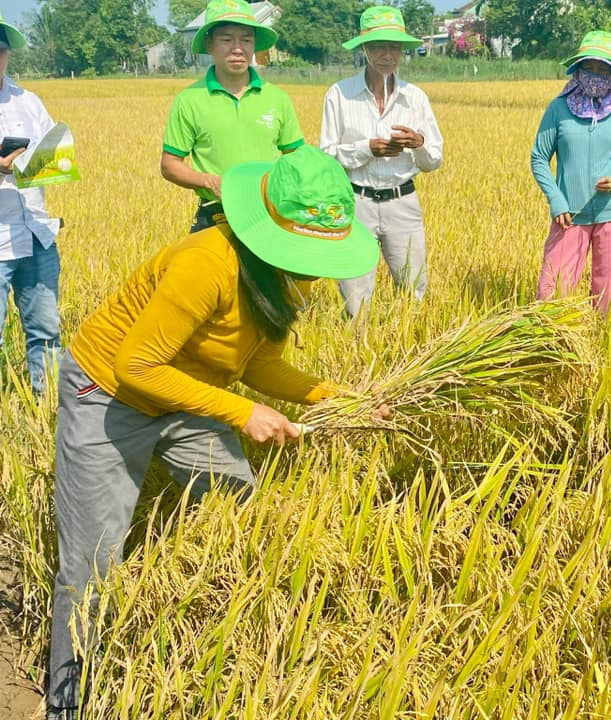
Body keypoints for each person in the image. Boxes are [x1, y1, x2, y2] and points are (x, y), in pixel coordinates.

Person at [45, 146, 381, 720]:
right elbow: (139, 366)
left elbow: (254, 361)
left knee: (241, 509)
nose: (311, 268)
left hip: (191, 391)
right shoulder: (206, 263)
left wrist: (328, 394)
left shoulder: (288, 274)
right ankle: (65, 706)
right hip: (110, 394)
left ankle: (227, 647)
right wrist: (241, 413)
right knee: (91, 562)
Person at [320, 5, 443, 319]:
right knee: (354, 291)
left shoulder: (415, 97)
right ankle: (360, 356)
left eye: (393, 46)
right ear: (364, 48)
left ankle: (411, 353)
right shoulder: (339, 94)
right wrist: (367, 149)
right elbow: (327, 156)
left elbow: (434, 160)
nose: (387, 54)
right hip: (355, 201)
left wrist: (418, 144)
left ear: (402, 50)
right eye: (378, 46)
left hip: (402, 202)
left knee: (413, 289)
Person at [530, 31, 611, 312]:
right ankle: (550, 349)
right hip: (568, 216)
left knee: (608, 297)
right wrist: (556, 200)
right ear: (578, 69)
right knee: (552, 295)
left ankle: (600, 347)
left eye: (603, 68)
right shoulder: (559, 108)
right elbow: (539, 158)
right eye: (590, 67)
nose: (595, 74)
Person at [161, 0, 305, 232]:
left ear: (254, 45)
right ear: (209, 44)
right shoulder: (189, 100)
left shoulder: (277, 99)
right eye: (227, 39)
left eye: (246, 39)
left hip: (268, 214)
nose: (238, 48)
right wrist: (211, 182)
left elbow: (297, 159)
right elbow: (170, 165)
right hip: (216, 214)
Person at [0, 13, 63, 395]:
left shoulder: (27, 100)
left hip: (37, 233)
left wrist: (35, 164)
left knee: (46, 333)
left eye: (1, 50)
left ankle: (49, 410)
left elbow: (55, 153)